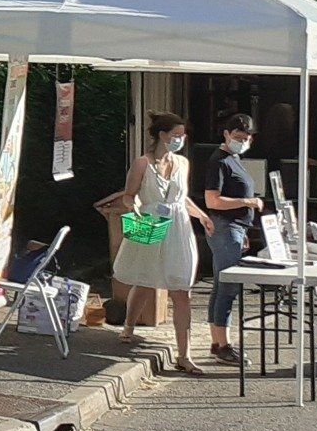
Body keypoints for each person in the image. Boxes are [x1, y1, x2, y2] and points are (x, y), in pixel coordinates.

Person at [109, 112, 213, 374]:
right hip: (150, 223)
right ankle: (128, 327)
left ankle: (184, 354)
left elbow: (181, 198)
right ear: (162, 135)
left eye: (182, 135)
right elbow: (128, 195)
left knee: (181, 288)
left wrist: (202, 216)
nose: (180, 140)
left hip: (178, 228)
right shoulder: (142, 163)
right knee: (145, 279)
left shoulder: (183, 163)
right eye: (176, 135)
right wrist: (135, 208)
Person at [200, 112, 263, 367]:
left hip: (235, 229)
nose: (242, 141)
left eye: (246, 138)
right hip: (225, 228)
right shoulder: (219, 161)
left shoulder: (234, 159)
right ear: (226, 134)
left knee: (221, 285)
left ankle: (218, 342)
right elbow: (212, 201)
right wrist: (248, 202)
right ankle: (224, 345)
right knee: (228, 286)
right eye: (237, 137)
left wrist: (243, 230)